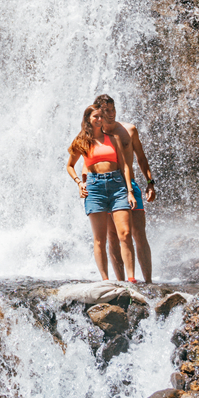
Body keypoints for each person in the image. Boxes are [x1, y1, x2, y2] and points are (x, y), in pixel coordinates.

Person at [65, 104, 138, 282]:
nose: (99, 119)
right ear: (88, 119)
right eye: (95, 117)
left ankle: (131, 279)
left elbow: (124, 166)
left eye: (101, 116)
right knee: (99, 239)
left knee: (125, 234)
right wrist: (79, 183)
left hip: (117, 186)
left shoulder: (113, 139)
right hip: (94, 187)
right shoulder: (81, 141)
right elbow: (70, 165)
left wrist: (130, 191)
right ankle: (105, 280)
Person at [93, 93, 155, 283]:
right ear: (98, 112)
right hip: (107, 187)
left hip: (131, 186)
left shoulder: (129, 130)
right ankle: (121, 283)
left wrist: (150, 182)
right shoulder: (95, 136)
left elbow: (141, 158)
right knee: (113, 235)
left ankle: (149, 283)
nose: (111, 114)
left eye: (113, 110)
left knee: (137, 233)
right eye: (106, 111)